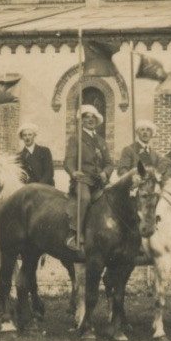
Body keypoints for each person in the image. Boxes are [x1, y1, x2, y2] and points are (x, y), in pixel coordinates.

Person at [64, 104, 111, 252]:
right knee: (84, 199)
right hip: (83, 179)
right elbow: (69, 161)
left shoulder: (101, 141)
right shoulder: (76, 139)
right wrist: (73, 172)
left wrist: (106, 173)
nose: (90, 120)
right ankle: (74, 233)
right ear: (81, 121)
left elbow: (109, 163)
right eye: (86, 117)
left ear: (97, 121)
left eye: (93, 118)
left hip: (100, 180)